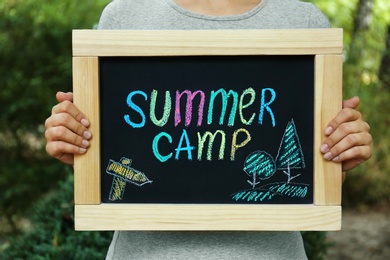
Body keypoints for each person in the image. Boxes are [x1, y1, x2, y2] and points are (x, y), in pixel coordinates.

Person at [44, 0, 373, 259]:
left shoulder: (303, 22)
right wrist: (75, 141)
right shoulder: (124, 16)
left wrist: (340, 153)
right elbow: (113, 148)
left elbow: (311, 180)